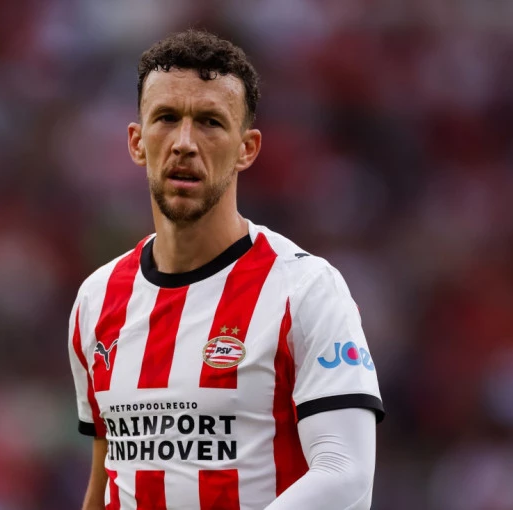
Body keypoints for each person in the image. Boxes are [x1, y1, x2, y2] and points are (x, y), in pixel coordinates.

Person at [68, 29, 384, 510]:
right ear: (136, 141)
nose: (184, 143)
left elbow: (347, 475)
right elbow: (107, 479)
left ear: (246, 148)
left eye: (210, 122)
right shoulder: (96, 298)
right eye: (167, 118)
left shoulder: (305, 291)